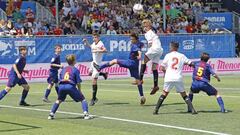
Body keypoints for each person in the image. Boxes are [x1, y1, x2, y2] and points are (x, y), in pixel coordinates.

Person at [93, 33, 146, 105]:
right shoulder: (139, 43)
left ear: (136, 39)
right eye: (130, 39)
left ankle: (100, 68)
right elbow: (142, 45)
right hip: (135, 65)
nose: (131, 40)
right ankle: (142, 96)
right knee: (138, 81)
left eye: (132, 39)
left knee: (115, 61)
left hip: (130, 63)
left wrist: (139, 55)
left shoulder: (135, 45)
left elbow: (138, 51)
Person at [153, 42, 197, 115]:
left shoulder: (168, 55)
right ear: (177, 47)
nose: (169, 48)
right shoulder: (181, 56)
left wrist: (165, 72)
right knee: (183, 94)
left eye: (170, 46)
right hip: (178, 77)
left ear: (172, 47)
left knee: (164, 93)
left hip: (169, 77)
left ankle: (156, 110)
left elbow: (161, 67)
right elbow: (191, 63)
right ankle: (192, 110)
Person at [48, 54, 91, 120]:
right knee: (83, 99)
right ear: (74, 61)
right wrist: (79, 91)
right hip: (70, 86)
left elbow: (60, 79)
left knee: (59, 100)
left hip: (61, 86)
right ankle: (86, 114)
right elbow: (78, 82)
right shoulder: (75, 70)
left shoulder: (63, 69)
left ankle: (51, 114)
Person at [83, 33, 108, 106]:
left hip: (97, 65)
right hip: (93, 63)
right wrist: (86, 41)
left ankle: (93, 98)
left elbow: (105, 50)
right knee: (89, 74)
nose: (94, 39)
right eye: (93, 37)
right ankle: (103, 74)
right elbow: (90, 46)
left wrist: (98, 51)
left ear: (99, 38)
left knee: (94, 80)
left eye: (96, 37)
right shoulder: (94, 43)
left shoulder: (100, 44)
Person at [139, 19, 163, 95]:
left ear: (149, 26)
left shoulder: (148, 33)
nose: (144, 28)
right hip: (159, 50)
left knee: (143, 61)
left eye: (146, 26)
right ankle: (156, 85)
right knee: (154, 68)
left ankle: (140, 79)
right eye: (143, 27)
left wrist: (148, 52)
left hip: (154, 48)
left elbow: (150, 44)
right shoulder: (152, 33)